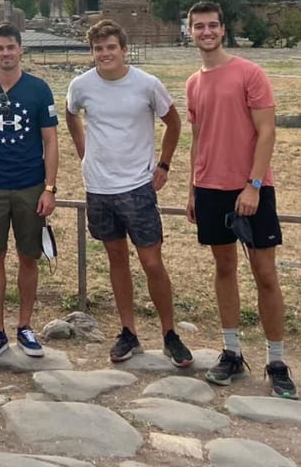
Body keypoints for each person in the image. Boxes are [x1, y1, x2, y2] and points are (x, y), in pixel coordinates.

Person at [184, 1, 297, 399]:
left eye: (212, 25)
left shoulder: (250, 73)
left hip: (251, 187)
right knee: (224, 269)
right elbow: (198, 138)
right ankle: (231, 352)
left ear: (223, 28)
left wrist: (252, 185)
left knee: (265, 274)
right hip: (211, 186)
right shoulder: (193, 82)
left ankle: (277, 360)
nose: (206, 32)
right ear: (190, 31)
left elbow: (267, 132)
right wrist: (193, 188)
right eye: (199, 26)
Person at [65, 20, 192, 367]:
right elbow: (71, 114)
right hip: (99, 187)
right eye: (98, 49)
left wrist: (163, 165)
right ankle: (129, 332)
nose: (105, 54)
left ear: (123, 49)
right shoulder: (81, 85)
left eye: (110, 47)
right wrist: (84, 152)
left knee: (152, 262)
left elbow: (174, 122)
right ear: (92, 53)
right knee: (116, 259)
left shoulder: (146, 84)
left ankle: (170, 333)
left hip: (137, 186)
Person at [0, 23, 58, 363]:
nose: (5, 53)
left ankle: (25, 325)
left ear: (21, 50)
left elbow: (50, 140)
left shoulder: (38, 89)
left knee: (29, 255)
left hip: (30, 185)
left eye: (10, 47)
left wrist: (49, 187)